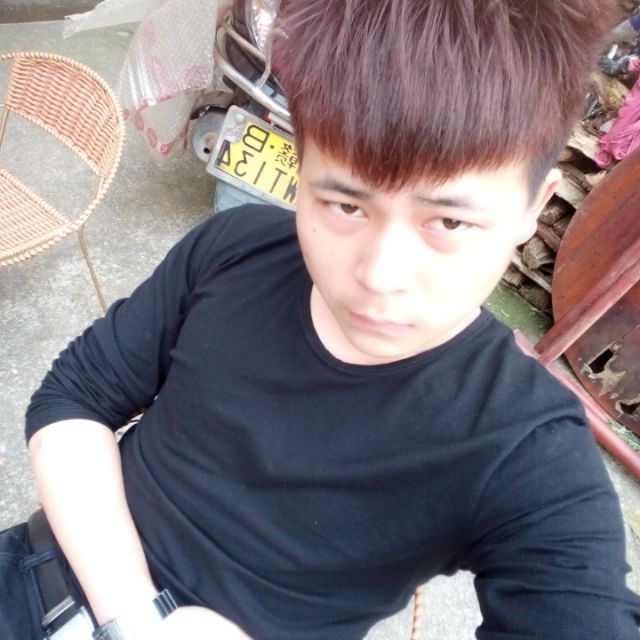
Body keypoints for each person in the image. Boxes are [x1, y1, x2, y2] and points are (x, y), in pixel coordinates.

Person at [2, 0, 640, 638]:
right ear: (301, 170)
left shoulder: (525, 448)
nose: (380, 274)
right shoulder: (235, 249)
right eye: (345, 206)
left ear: (533, 208)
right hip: (36, 574)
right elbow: (74, 397)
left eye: (448, 221)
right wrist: (137, 618)